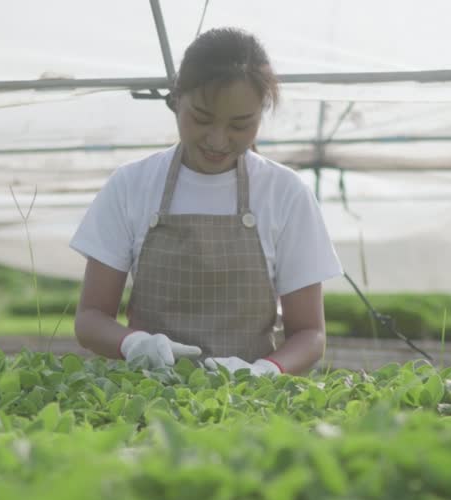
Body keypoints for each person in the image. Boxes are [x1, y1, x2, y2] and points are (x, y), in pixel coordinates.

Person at [71, 28, 343, 376]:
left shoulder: (285, 193)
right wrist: (134, 344)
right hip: (147, 391)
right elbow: (91, 318)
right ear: (176, 100)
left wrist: (265, 371)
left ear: (260, 114)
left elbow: (310, 333)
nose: (217, 140)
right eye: (202, 119)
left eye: (239, 126)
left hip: (249, 397)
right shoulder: (131, 185)